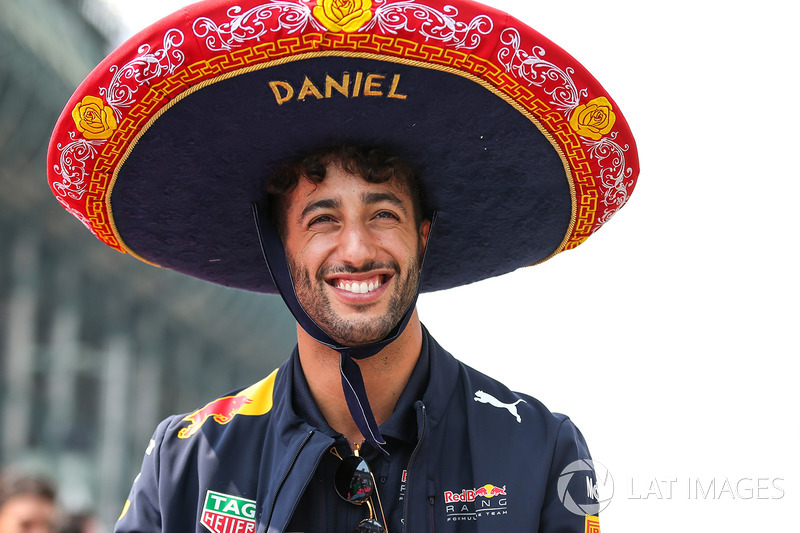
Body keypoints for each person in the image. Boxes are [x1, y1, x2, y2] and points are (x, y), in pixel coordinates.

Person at [47, 0, 639, 530]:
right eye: (321, 219)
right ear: (280, 248)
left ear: (424, 236)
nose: (356, 249)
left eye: (383, 214)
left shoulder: (538, 450)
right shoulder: (188, 461)